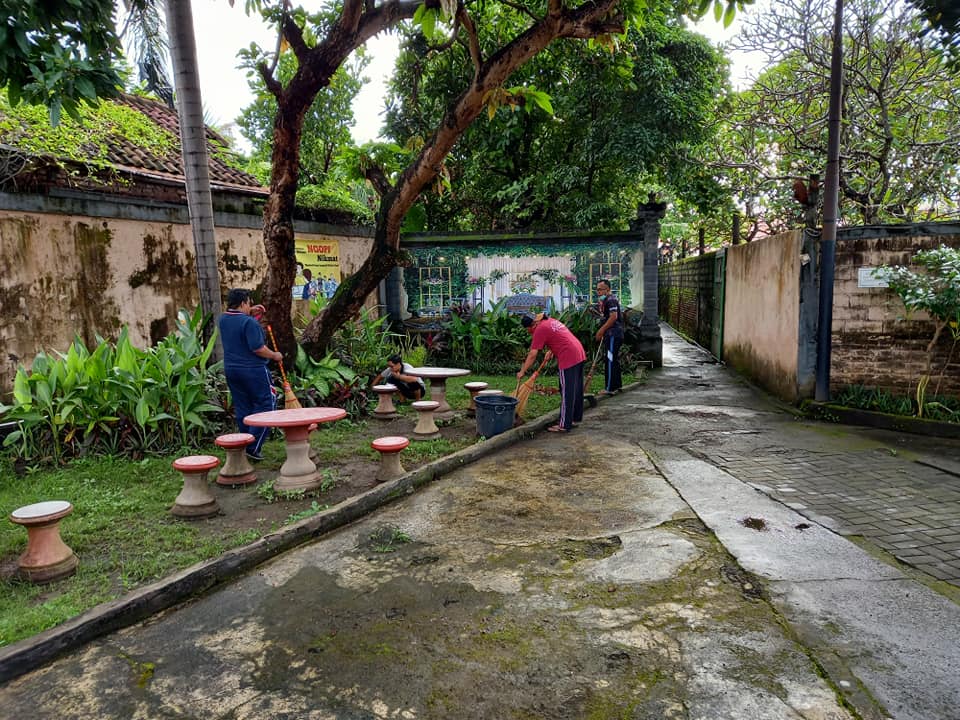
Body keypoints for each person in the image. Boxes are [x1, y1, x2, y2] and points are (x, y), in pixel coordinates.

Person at [218, 288, 283, 461]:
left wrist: (251, 314)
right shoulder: (249, 323)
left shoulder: (223, 320)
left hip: (232, 370)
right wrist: (275, 355)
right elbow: (258, 348)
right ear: (243, 303)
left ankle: (245, 443)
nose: (251, 305)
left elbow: (239, 326)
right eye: (249, 303)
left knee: (243, 407)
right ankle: (253, 447)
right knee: (266, 404)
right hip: (253, 370)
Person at [518, 313, 586, 433]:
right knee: (575, 389)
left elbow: (533, 354)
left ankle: (564, 424)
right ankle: (574, 418)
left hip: (568, 356)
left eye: (527, 330)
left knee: (567, 391)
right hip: (578, 352)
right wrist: (551, 349)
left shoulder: (539, 329)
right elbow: (559, 336)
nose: (529, 332)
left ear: (530, 327)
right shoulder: (549, 321)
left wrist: (522, 371)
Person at [594, 279, 624, 395]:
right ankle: (617, 385)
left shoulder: (611, 300)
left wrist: (601, 331)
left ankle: (610, 388)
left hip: (613, 335)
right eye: (597, 290)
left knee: (610, 360)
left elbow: (613, 317)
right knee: (613, 359)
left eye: (600, 289)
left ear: (607, 289)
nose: (598, 292)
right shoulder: (607, 301)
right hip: (613, 334)